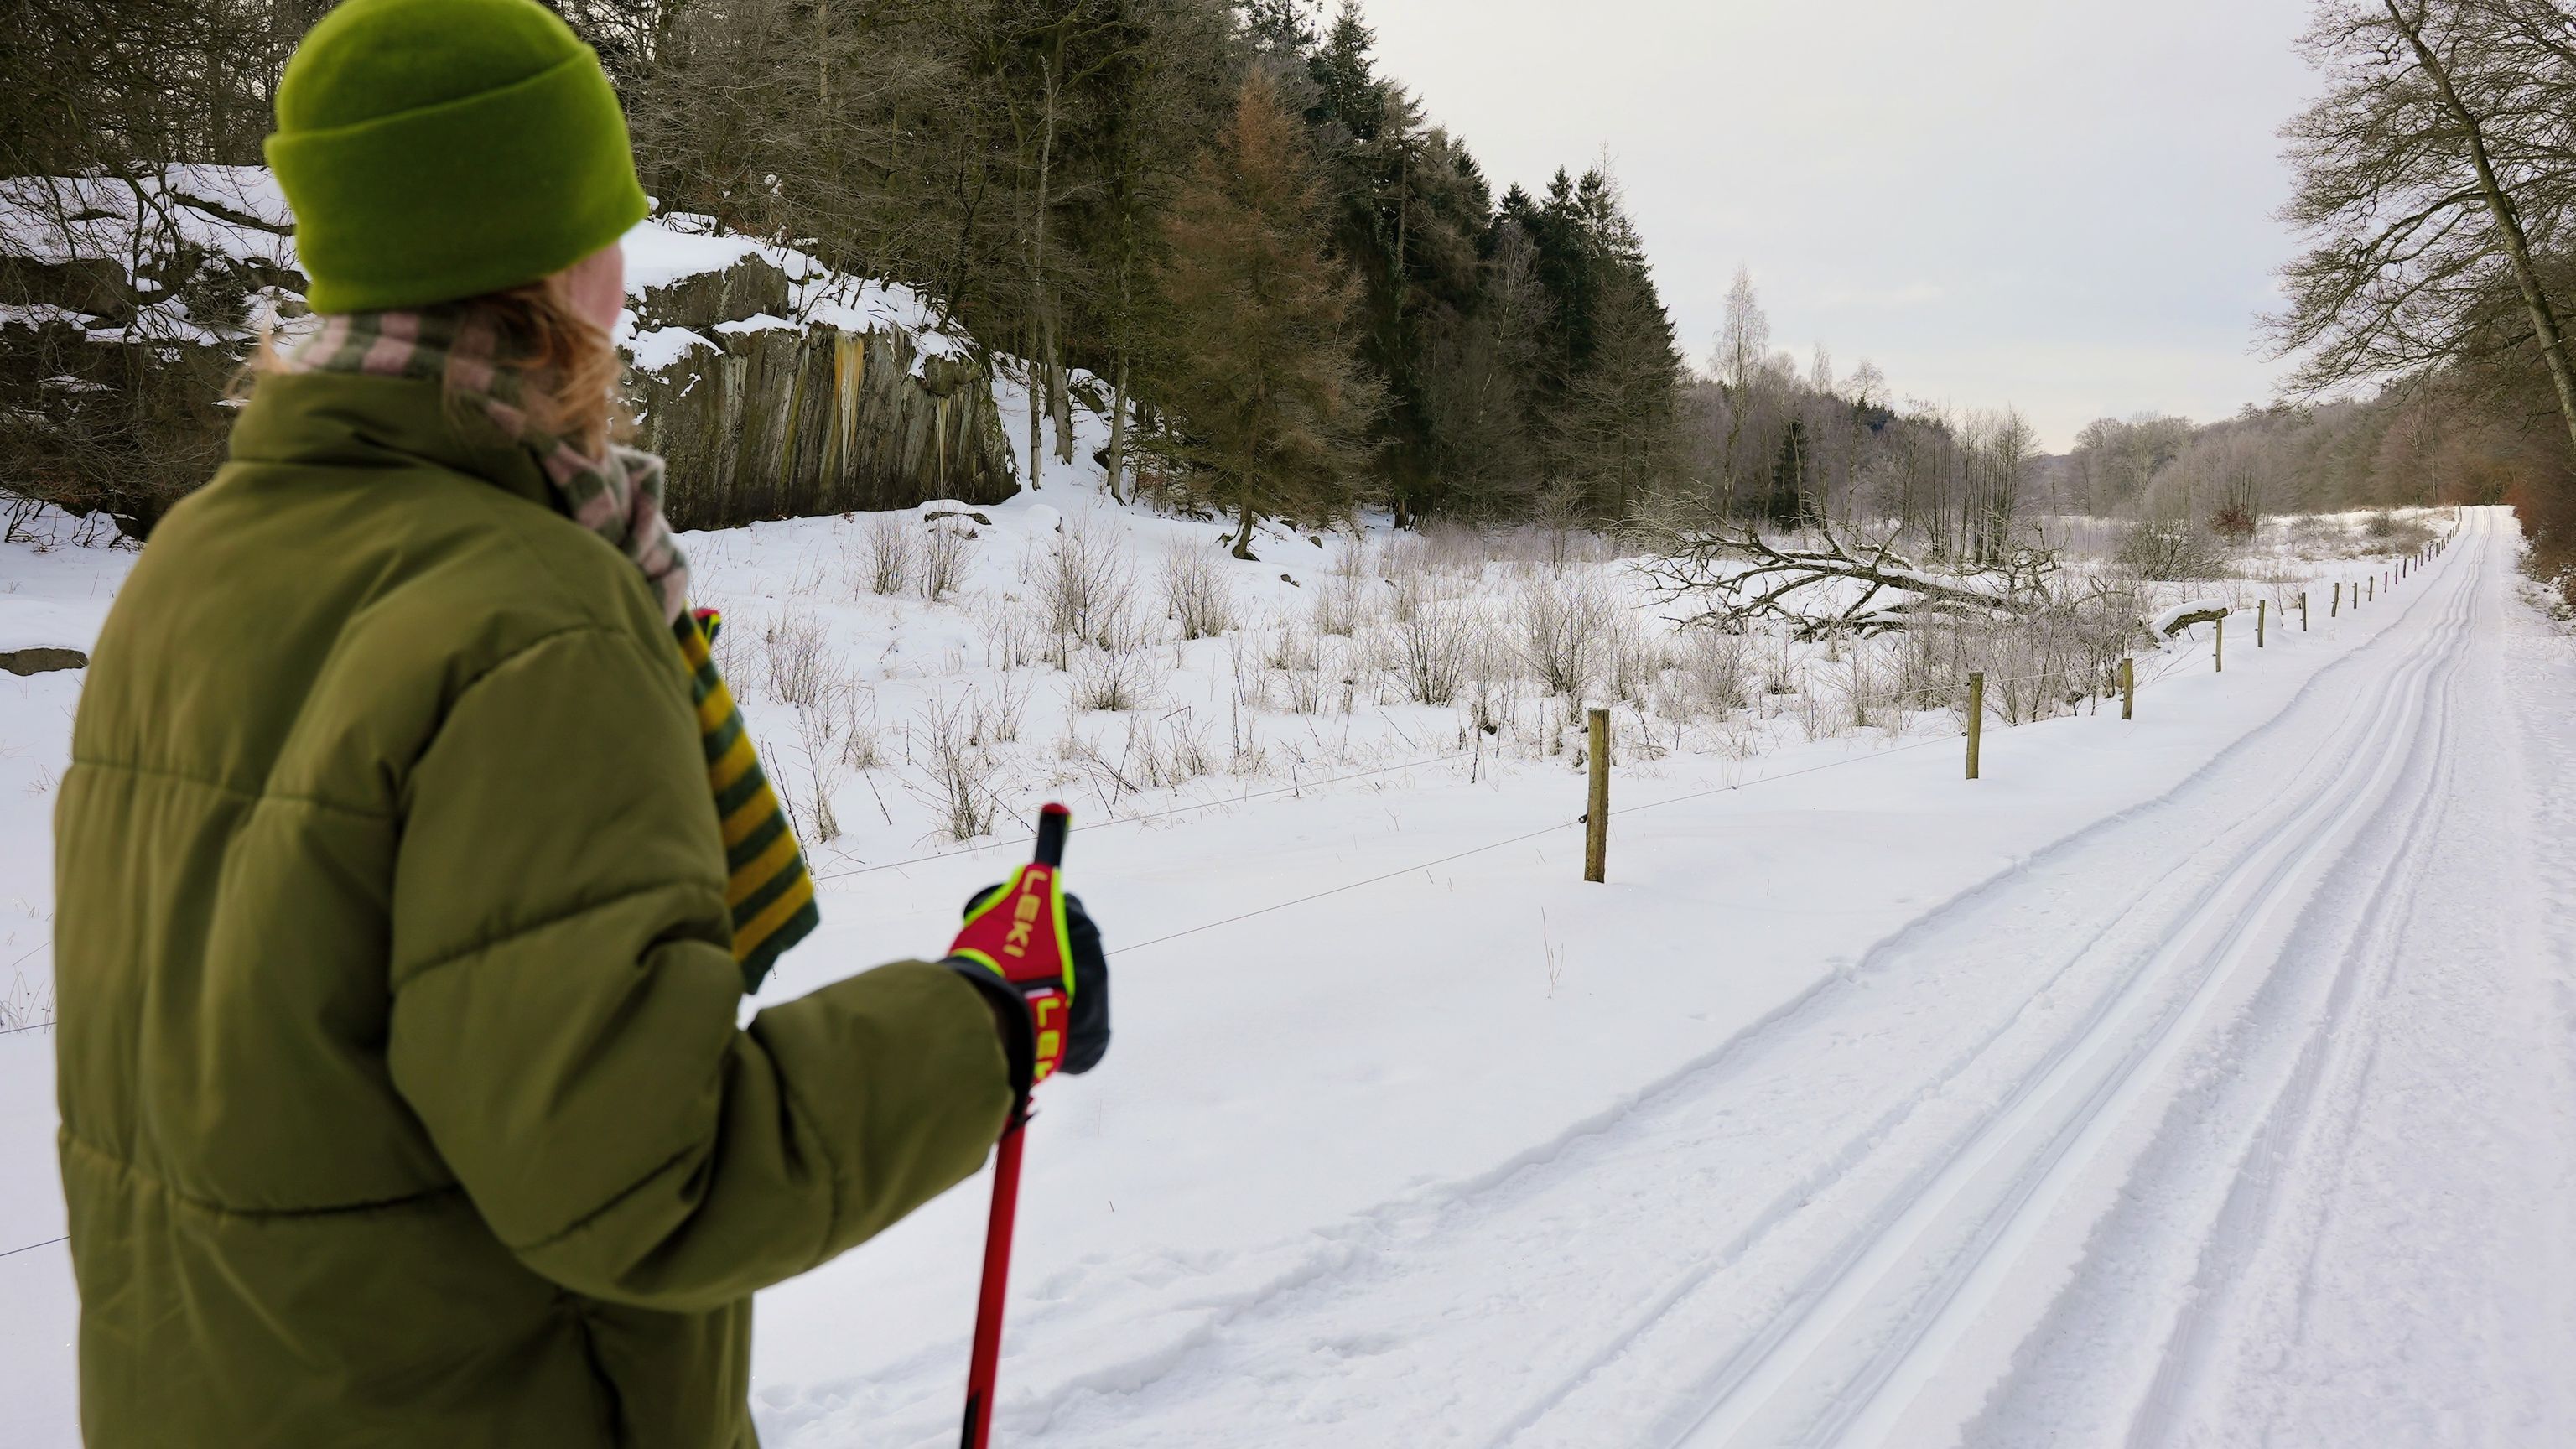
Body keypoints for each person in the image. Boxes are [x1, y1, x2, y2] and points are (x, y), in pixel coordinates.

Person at [50, 1, 1106, 1443]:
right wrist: (987, 1019)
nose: (626, 266)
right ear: (549, 261)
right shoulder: (540, 618)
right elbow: (643, 1183)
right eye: (611, 218)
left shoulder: (193, 562)